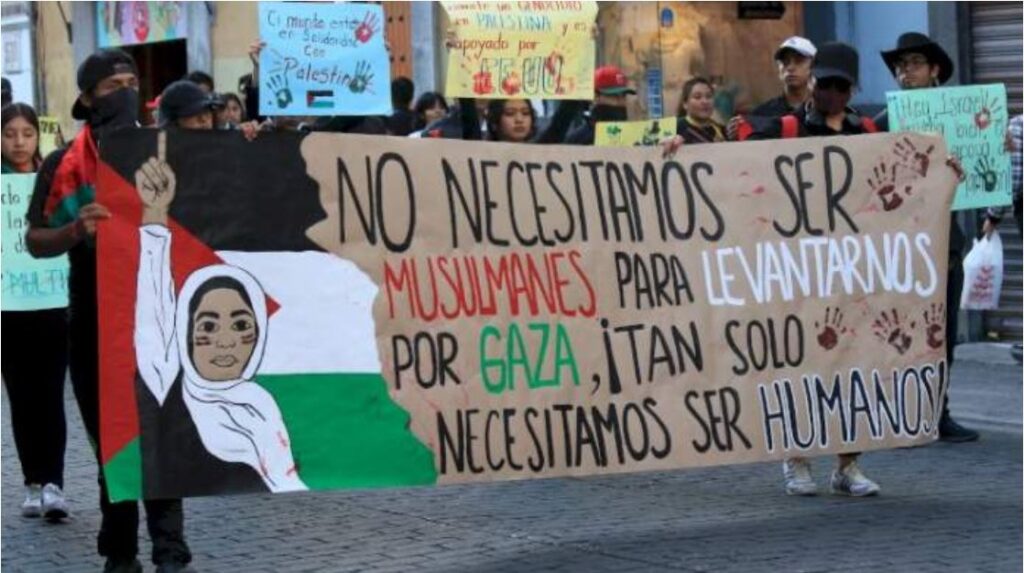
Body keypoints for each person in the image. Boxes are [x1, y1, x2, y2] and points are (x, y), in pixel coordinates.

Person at [24, 48, 194, 573]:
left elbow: (228, 191)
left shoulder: (167, 149)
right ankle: (120, 551)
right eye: (111, 87)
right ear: (88, 99)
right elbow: (35, 239)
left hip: (160, 317)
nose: (124, 93)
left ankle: (170, 551)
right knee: (112, 445)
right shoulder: (63, 165)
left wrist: (258, 138)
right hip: (94, 326)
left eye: (130, 83)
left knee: (160, 436)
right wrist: (77, 230)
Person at [132, 134, 306, 494]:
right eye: (208, 327)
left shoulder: (260, 405)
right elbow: (155, 303)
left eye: (241, 325)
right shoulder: (168, 383)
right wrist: (155, 214)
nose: (225, 341)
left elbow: (287, 480)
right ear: (185, 332)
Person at [746, 43, 882, 497]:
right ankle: (796, 459)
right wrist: (678, 145)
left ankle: (847, 464)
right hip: (798, 272)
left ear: (852, 90)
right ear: (814, 82)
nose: (830, 94)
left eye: (840, 87)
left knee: (852, 369)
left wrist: (948, 168)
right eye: (825, 84)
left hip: (850, 272)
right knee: (798, 366)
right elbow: (725, 160)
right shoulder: (785, 128)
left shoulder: (868, 131)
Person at [875, 32, 995, 442]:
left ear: (934, 70)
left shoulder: (961, 121)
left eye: (913, 64)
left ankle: (937, 412)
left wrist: (996, 146)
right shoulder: (883, 122)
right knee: (898, 333)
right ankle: (899, 413)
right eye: (900, 66)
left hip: (944, 245)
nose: (904, 72)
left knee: (940, 333)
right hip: (899, 247)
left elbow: (983, 167)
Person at [2, 102, 71, 521]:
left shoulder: (54, 180)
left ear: (37, 136)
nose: (19, 142)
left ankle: (53, 484)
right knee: (21, 397)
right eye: (9, 134)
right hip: (8, 311)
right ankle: (32, 481)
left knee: (50, 395)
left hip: (53, 305)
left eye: (27, 133)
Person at [564, 65, 636, 145]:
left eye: (623, 95)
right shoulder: (578, 140)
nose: (620, 101)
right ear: (595, 97)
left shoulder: (634, 136)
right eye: (614, 95)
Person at [751, 36, 816, 118]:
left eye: (799, 61)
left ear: (813, 66)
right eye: (785, 62)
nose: (790, 68)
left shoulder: (824, 111)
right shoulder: (762, 114)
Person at [675, 77, 726, 144]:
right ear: (685, 104)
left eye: (709, 96)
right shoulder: (670, 128)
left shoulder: (722, 131)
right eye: (697, 97)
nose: (705, 101)